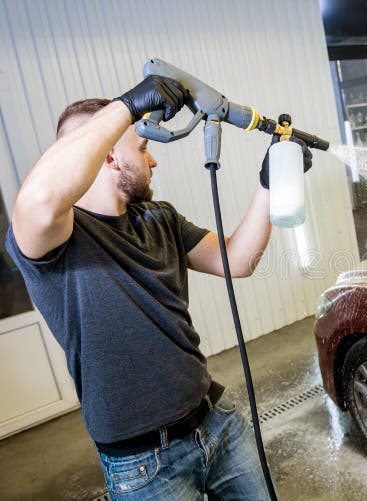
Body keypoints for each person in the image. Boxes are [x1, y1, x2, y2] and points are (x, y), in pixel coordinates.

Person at [5, 75, 311, 500]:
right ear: (108, 157)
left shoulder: (158, 217)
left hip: (216, 420)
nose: (153, 161)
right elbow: (39, 199)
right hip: (142, 462)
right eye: (144, 148)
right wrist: (126, 105)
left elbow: (237, 260)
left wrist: (269, 185)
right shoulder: (56, 239)